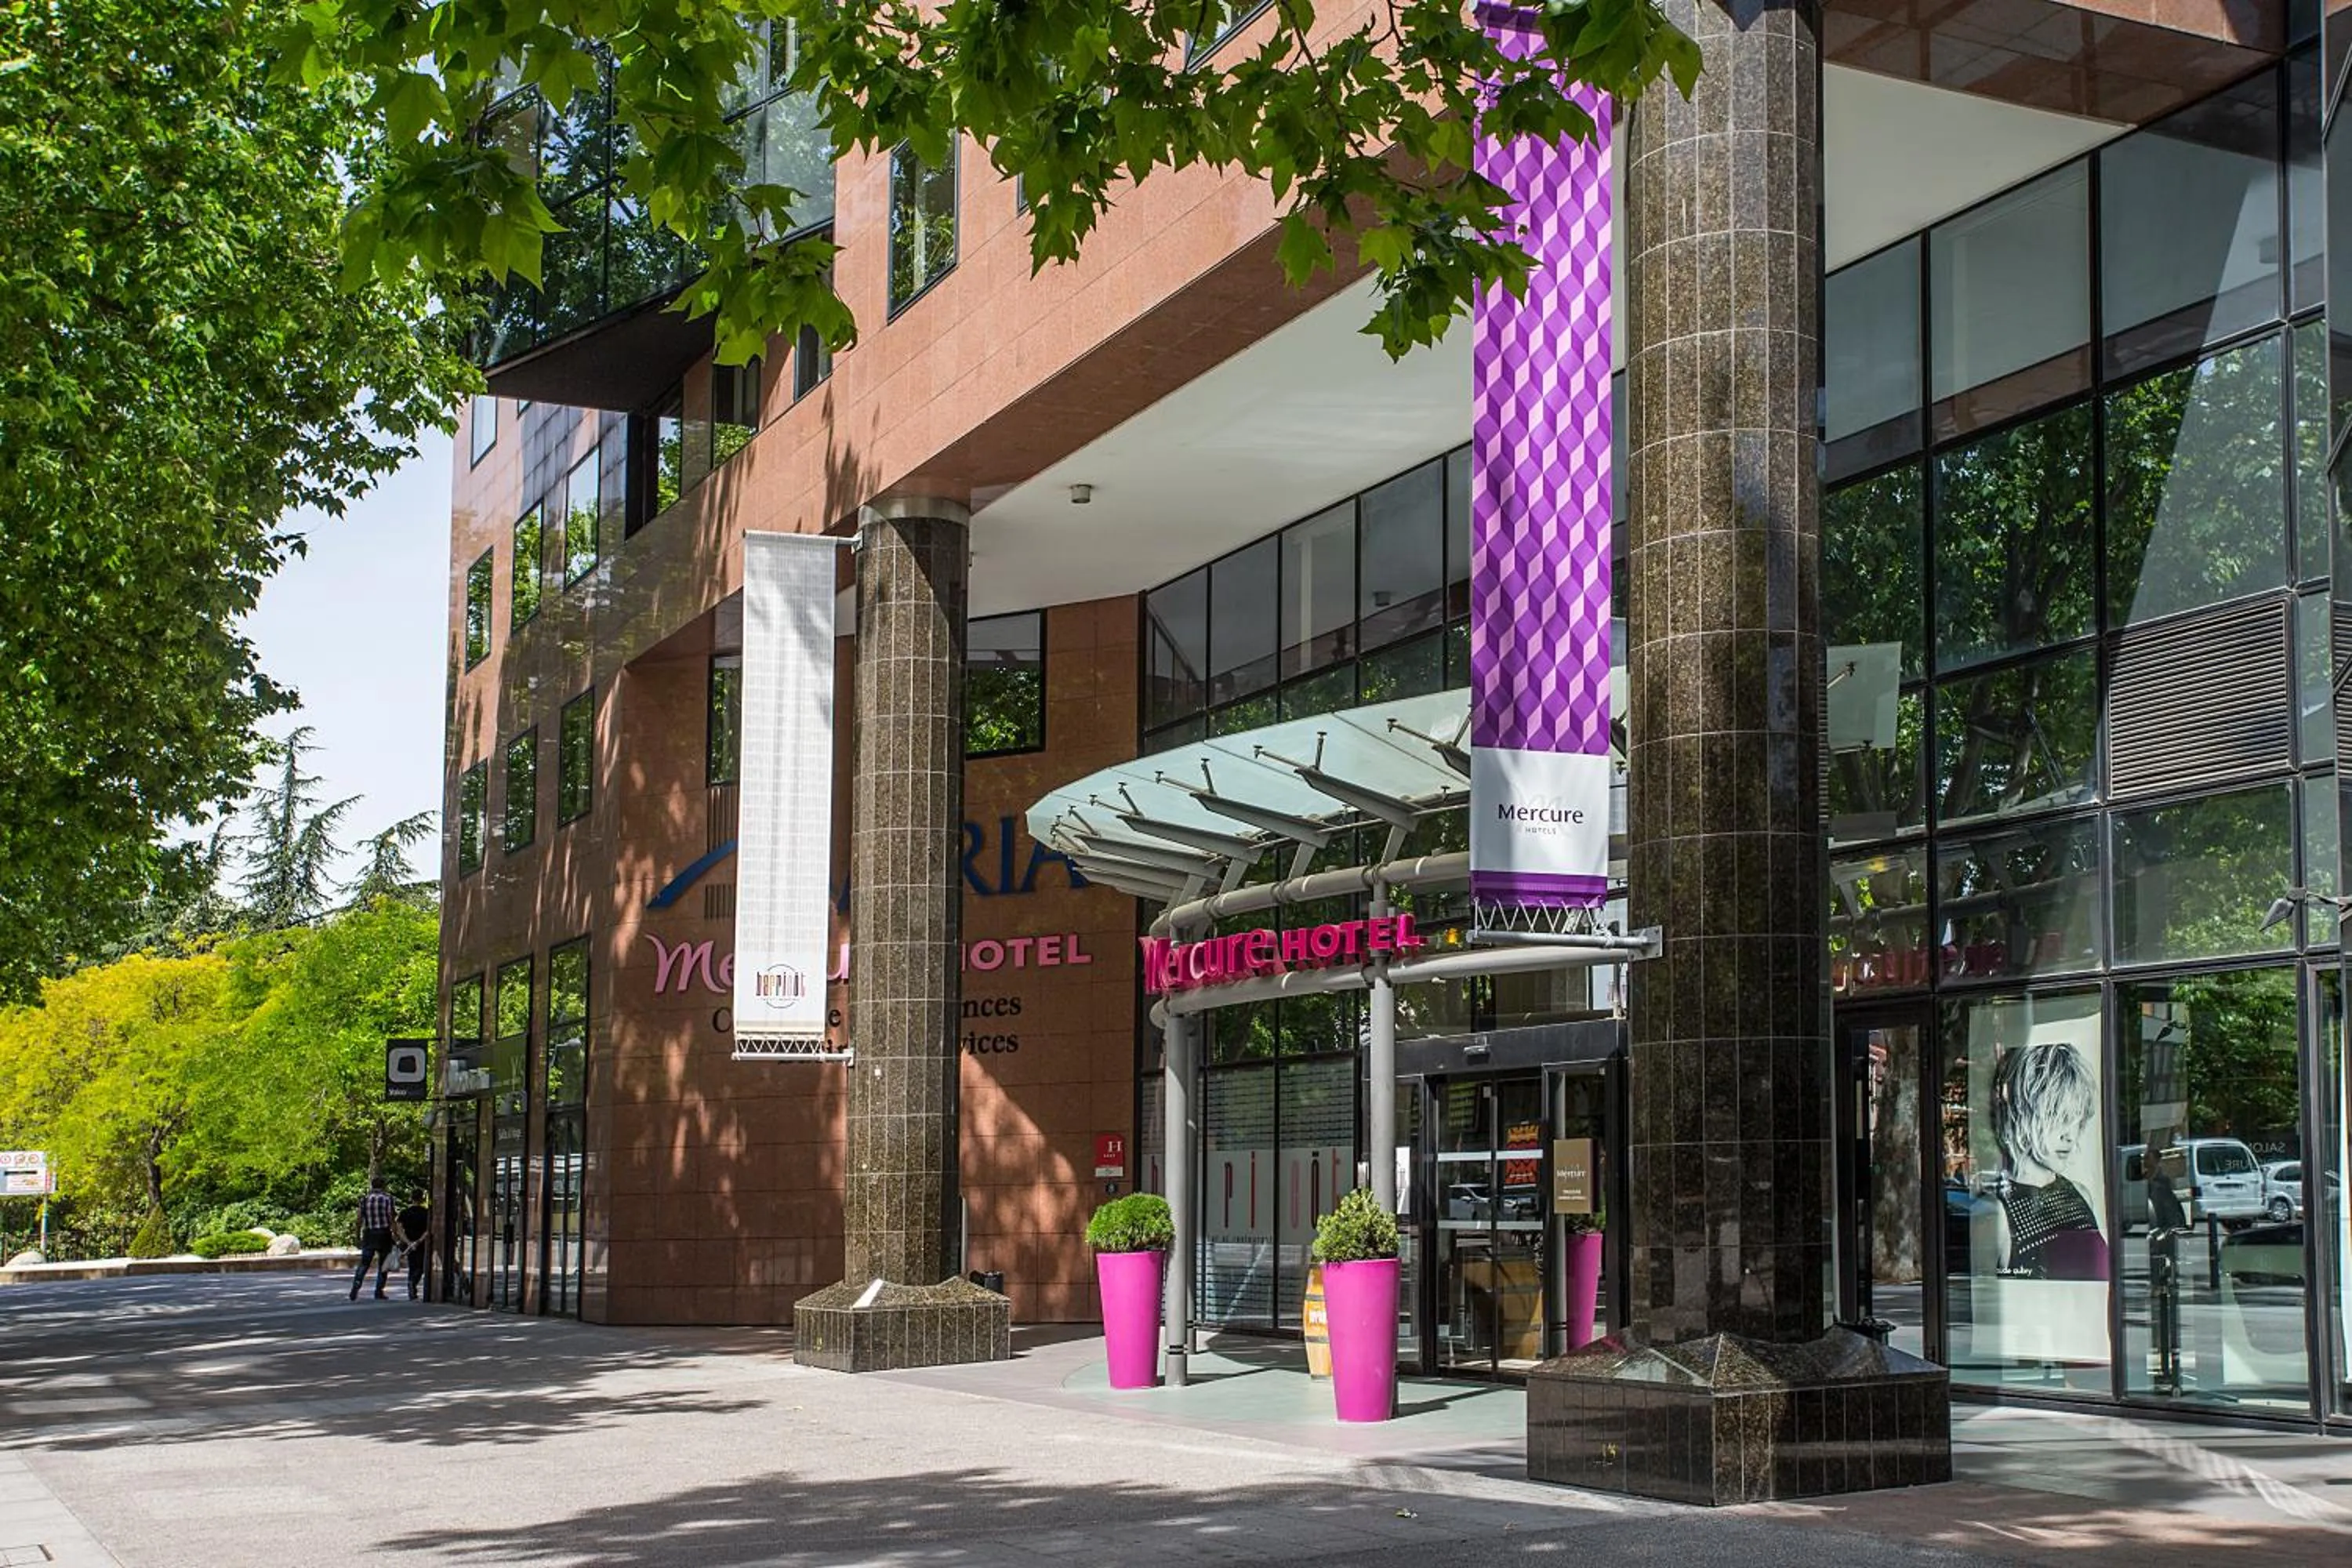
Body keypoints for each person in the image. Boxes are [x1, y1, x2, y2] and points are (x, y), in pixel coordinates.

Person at [1987, 1040, 2107, 1280]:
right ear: (2026, 1112)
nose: (2070, 1136)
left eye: (2077, 1120)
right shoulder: (2000, 1213)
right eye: (2059, 1117)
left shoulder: (2081, 1194)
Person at [350, 1177, 398, 1301]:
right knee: (383, 1264)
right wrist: (395, 1234)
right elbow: (391, 1217)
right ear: (384, 1186)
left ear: (372, 1186)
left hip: (369, 1233)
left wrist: (357, 1235)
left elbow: (359, 1219)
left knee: (365, 1263)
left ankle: (356, 1284)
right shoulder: (388, 1199)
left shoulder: (364, 1199)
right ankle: (379, 1291)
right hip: (384, 1234)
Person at [393, 1193, 430, 1301]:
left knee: (412, 1266)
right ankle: (413, 1283)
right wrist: (418, 1241)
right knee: (421, 1266)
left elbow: (399, 1229)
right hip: (421, 1243)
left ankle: (411, 1288)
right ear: (422, 1199)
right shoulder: (426, 1213)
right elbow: (428, 1230)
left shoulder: (405, 1213)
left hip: (409, 1242)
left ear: (411, 1199)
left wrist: (408, 1242)